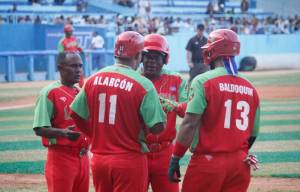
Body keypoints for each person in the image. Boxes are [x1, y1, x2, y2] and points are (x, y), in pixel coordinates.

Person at [70, 31, 166, 192]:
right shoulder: (144, 84)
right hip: (129, 160)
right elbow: (157, 127)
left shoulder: (94, 78)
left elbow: (75, 113)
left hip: (99, 160)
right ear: (138, 55)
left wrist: (94, 135)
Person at [168, 29, 261, 192]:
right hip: (240, 164)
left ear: (213, 51)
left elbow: (189, 124)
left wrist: (176, 157)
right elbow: (253, 133)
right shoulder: (250, 87)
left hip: (208, 164)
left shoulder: (203, 81)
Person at [32, 52, 90, 192]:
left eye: (80, 66)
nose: (78, 70)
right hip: (61, 158)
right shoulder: (49, 93)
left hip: (83, 158)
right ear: (60, 68)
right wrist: (62, 133)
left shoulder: (80, 91)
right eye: (73, 66)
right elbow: (39, 128)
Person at [141, 34, 188, 192]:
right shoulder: (133, 78)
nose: (151, 61)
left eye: (156, 57)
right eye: (147, 57)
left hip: (165, 152)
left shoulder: (177, 80)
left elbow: (188, 110)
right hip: (138, 151)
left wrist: (174, 105)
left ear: (165, 59)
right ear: (140, 57)